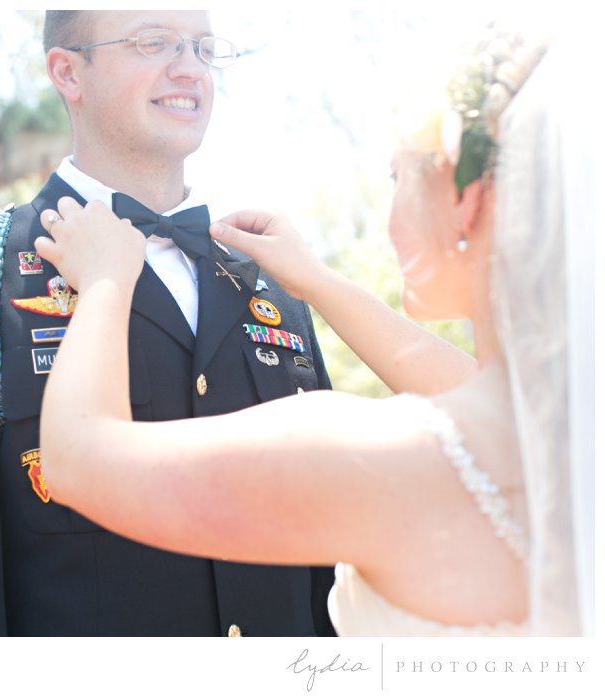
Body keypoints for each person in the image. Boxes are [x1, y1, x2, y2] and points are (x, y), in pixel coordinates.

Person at [35, 23, 594, 636]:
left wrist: (108, 282)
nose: (386, 209)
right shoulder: (566, 433)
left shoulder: (376, 451)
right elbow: (477, 393)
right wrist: (321, 285)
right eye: (153, 43)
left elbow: (78, 459)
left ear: (465, 201)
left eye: (396, 176)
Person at [0, 10, 336, 636]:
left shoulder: (274, 283)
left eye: (202, 47)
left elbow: (322, 572)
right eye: (153, 42)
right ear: (68, 72)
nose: (189, 66)